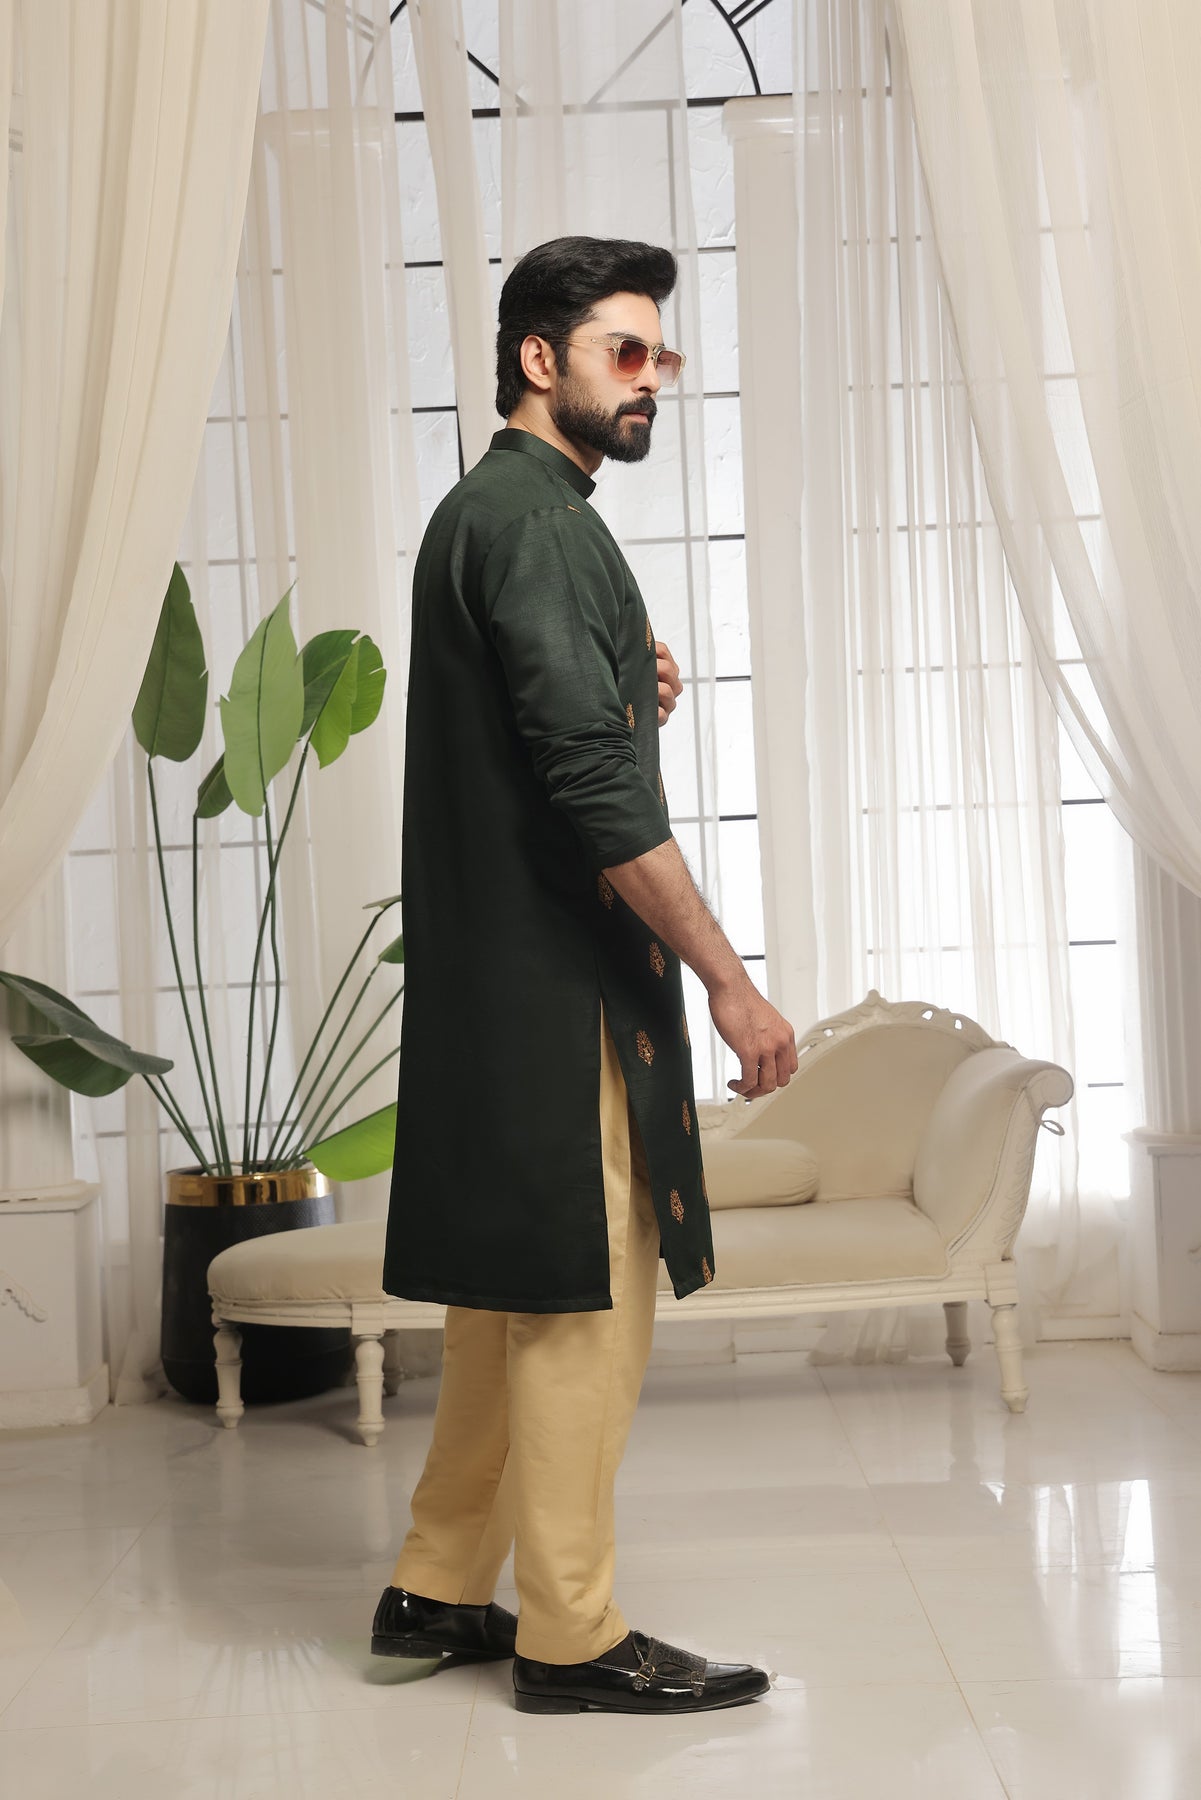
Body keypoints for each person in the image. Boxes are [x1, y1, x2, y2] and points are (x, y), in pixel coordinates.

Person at [372, 236, 798, 1715]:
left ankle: (436, 1586)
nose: (650, 378)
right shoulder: (540, 522)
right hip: (560, 999)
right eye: (625, 350)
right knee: (580, 1313)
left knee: (510, 1301)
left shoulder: (489, 512)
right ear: (537, 358)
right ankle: (569, 1634)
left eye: (659, 354)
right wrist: (730, 983)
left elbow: (552, 735)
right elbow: (594, 796)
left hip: (499, 996)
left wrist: (632, 687)